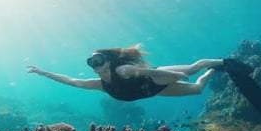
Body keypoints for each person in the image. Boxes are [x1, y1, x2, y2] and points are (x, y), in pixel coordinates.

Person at [27, 44, 223, 101]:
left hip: (156, 77)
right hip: (154, 91)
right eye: (91, 62)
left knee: (192, 69)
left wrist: (175, 76)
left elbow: (150, 73)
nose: (95, 65)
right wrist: (44, 73)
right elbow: (71, 80)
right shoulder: (99, 85)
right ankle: (211, 72)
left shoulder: (123, 69)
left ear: (109, 61)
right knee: (198, 89)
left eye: (98, 60)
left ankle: (221, 62)